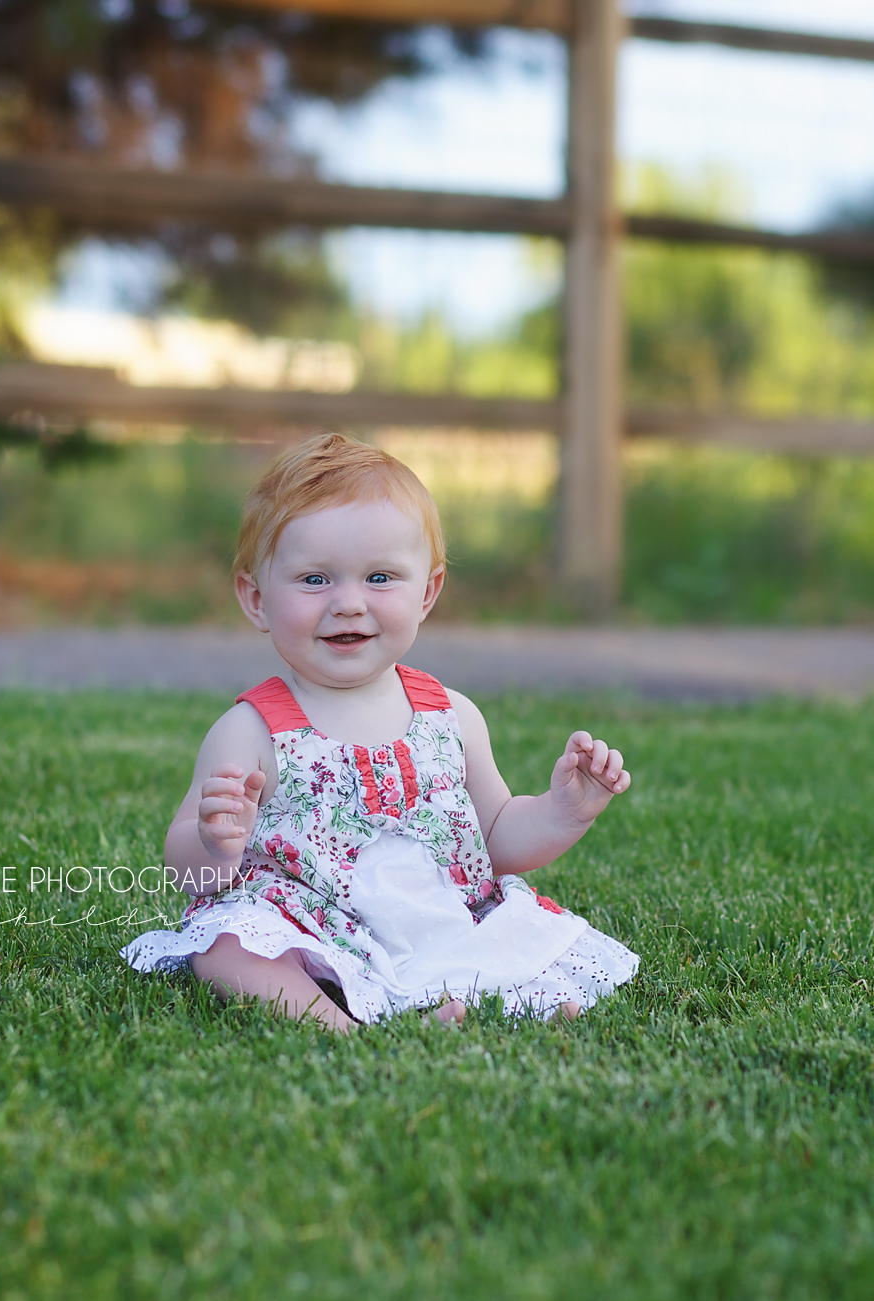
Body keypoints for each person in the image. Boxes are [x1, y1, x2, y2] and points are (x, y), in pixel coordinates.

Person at [121, 433, 639, 1031]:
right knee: (224, 944)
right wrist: (216, 844)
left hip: (435, 917)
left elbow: (495, 841)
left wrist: (563, 812)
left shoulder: (453, 717)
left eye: (380, 578)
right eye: (314, 580)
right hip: (316, 932)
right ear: (256, 598)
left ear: (428, 592)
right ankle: (337, 1024)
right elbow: (188, 873)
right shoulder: (251, 729)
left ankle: (500, 996)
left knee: (512, 926)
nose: (347, 603)